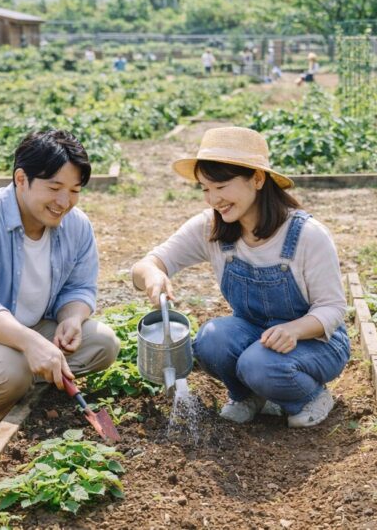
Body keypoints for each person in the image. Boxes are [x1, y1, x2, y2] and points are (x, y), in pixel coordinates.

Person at [131, 127, 350, 428]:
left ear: (257, 179)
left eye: (221, 186)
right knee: (210, 341)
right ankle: (248, 396)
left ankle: (310, 397)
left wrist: (295, 330)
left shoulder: (306, 235)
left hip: (316, 343)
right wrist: (153, 276)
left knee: (257, 363)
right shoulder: (212, 227)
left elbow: (333, 308)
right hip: (255, 334)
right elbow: (146, 264)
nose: (213, 199)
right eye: (205, 189)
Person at [0, 130, 120, 450]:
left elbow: (79, 287)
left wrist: (72, 318)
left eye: (74, 190)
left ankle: (22, 385)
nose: (64, 202)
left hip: (29, 330)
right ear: (20, 179)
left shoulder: (76, 225)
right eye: (54, 187)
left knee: (102, 343)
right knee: (11, 370)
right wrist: (31, 344)